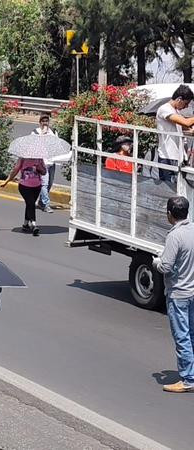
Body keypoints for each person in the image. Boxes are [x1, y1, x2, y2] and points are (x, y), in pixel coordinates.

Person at [153, 196, 194, 393]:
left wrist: (156, 262)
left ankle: (188, 379)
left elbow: (166, 267)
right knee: (192, 335)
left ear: (170, 214)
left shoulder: (174, 236)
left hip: (179, 293)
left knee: (182, 337)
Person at [156, 85, 194, 182]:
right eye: (186, 104)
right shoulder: (164, 109)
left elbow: (184, 127)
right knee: (168, 192)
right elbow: (186, 122)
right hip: (167, 157)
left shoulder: (175, 111)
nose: (186, 107)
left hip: (178, 156)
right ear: (179, 99)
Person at [1, 157, 46, 236]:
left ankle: (25, 224)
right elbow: (15, 170)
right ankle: (33, 224)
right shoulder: (22, 158)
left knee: (29, 204)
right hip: (24, 186)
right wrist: (6, 181)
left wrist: (39, 168)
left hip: (37, 186)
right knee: (31, 203)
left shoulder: (39, 159)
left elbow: (44, 172)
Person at [32, 115, 58, 213]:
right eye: (43, 121)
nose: (45, 123)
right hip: (42, 163)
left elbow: (56, 144)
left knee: (50, 184)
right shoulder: (35, 132)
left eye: (46, 121)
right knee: (44, 184)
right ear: (40, 122)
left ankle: (41, 202)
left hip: (52, 161)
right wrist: (42, 134)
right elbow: (34, 145)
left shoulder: (53, 132)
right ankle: (46, 205)